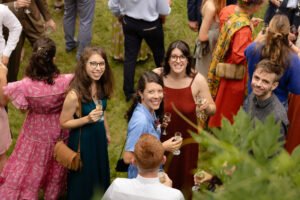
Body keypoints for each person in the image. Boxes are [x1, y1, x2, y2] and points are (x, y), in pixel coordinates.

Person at [0, 38, 72, 199]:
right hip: (59, 130)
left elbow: (22, 109)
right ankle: (52, 193)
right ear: (54, 59)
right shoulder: (67, 81)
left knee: (31, 164)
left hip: (33, 131)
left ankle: (28, 192)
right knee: (56, 164)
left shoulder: (24, 85)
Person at [153, 40, 216, 200]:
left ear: (188, 59)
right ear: (167, 59)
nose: (178, 61)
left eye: (182, 57)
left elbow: (213, 109)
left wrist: (206, 107)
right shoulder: (157, 76)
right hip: (161, 137)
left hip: (187, 141)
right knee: (159, 175)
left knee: (184, 177)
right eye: (173, 56)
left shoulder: (197, 80)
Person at [60, 46, 114, 199]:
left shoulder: (100, 85)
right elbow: (63, 122)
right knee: (84, 179)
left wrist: (107, 131)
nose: (98, 68)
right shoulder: (73, 95)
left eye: (101, 64)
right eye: (93, 64)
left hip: (99, 138)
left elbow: (101, 112)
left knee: (100, 173)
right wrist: (87, 119)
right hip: (83, 142)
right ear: (84, 65)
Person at [207, 0, 264, 128]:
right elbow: (238, 56)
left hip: (225, 67)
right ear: (255, 6)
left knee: (221, 104)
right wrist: (257, 42)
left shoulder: (234, 15)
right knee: (228, 111)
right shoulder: (244, 28)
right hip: (234, 77)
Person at [108, 0, 171, 102]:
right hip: (151, 25)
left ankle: (128, 93)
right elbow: (164, 10)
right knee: (159, 55)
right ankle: (167, 84)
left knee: (130, 58)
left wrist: (119, 15)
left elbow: (112, 4)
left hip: (129, 22)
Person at [123, 71, 182, 179]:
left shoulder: (150, 109)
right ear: (141, 93)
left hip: (152, 171)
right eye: (151, 92)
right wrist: (162, 147)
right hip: (142, 179)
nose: (157, 96)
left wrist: (159, 126)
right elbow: (128, 158)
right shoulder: (140, 121)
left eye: (160, 91)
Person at [103, 134, 184, 200]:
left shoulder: (117, 186)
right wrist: (167, 191)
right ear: (163, 160)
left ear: (133, 161)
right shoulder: (175, 195)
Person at [245, 14, 300, 106]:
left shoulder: (253, 48)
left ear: (268, 30)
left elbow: (246, 54)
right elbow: (296, 88)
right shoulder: (292, 59)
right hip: (277, 105)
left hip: (253, 98)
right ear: (288, 34)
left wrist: (258, 40)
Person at [1, 0, 56, 82]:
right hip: (10, 24)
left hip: (33, 21)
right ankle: (10, 87)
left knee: (46, 50)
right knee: (12, 61)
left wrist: (48, 18)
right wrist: (14, 5)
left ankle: (49, 83)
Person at [0, 3, 22, 172]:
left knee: (1, 103)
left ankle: (3, 140)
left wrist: (7, 53)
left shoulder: (1, 10)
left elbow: (16, 27)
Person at [244, 59, 288, 138]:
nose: (258, 84)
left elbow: (275, 149)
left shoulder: (277, 117)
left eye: (265, 81)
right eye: (256, 78)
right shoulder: (253, 95)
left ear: (274, 86)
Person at [194, 0, 226, 77]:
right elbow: (202, 36)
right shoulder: (211, 8)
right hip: (207, 53)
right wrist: (223, 31)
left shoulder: (219, 3)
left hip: (214, 50)